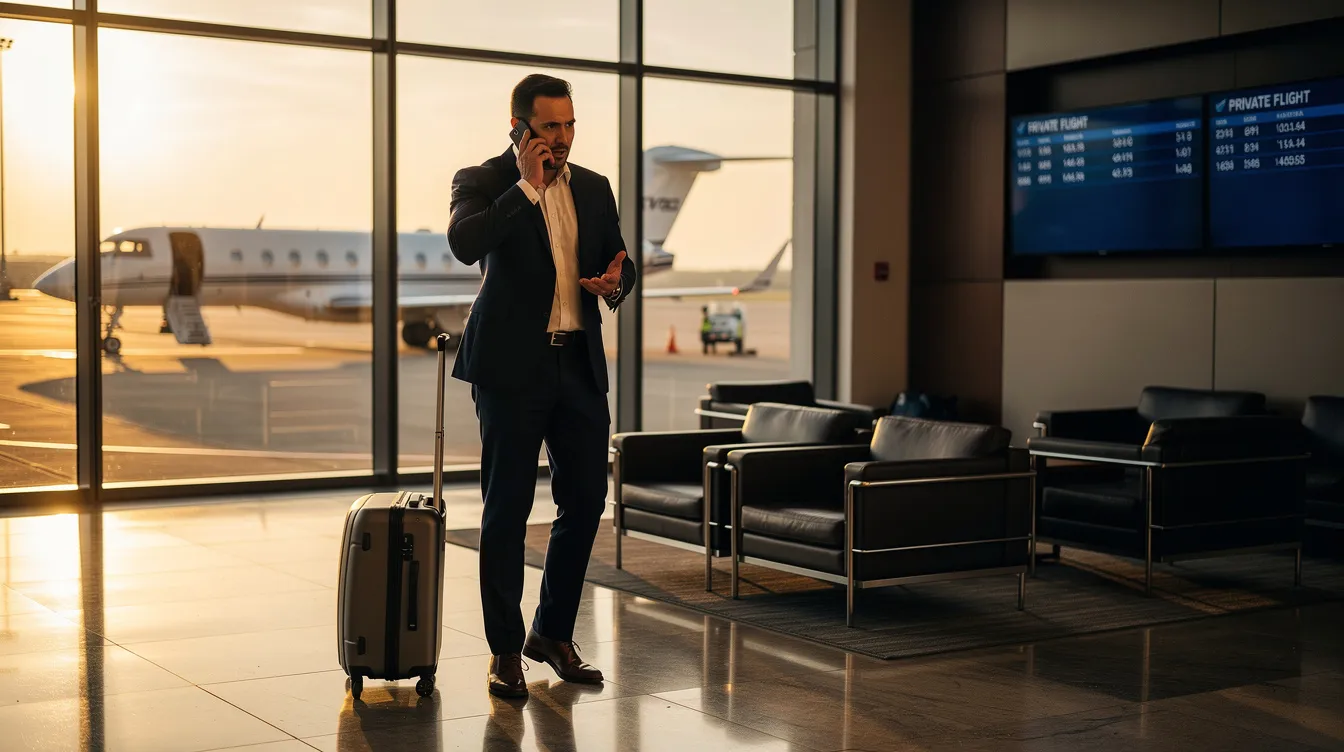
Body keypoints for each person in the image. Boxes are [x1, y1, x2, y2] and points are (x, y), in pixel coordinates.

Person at [446, 73, 636, 699]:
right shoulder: (482, 181)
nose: (563, 137)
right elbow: (466, 244)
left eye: (570, 124)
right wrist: (526, 186)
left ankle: (552, 633)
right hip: (509, 371)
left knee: (584, 504)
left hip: (577, 366)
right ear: (520, 128)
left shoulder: (595, 188)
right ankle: (505, 650)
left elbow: (618, 261)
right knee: (507, 511)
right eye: (551, 126)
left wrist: (617, 282)